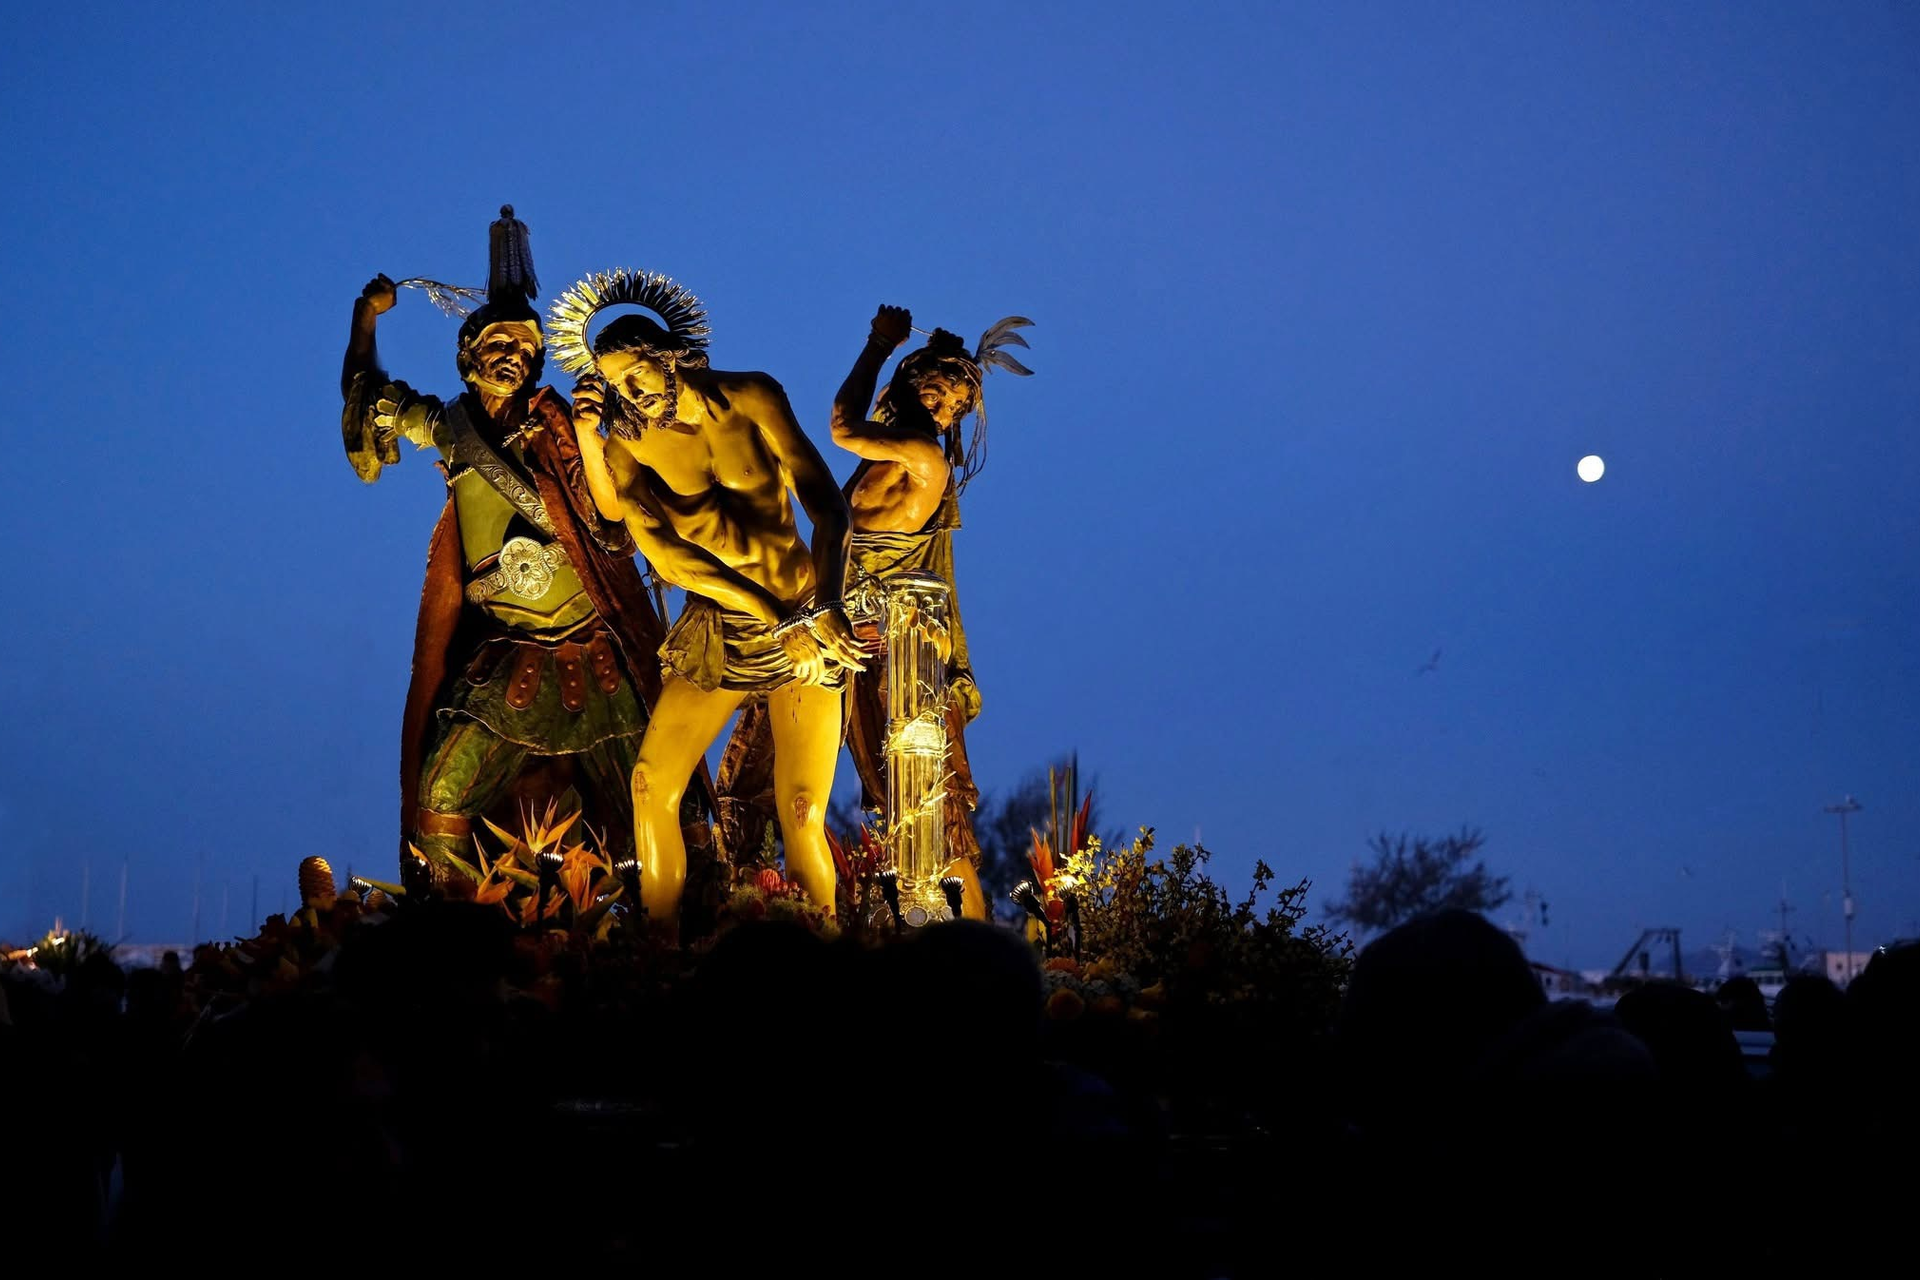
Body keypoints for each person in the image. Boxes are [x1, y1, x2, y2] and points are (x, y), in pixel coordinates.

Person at [339, 209, 675, 887]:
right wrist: (365, 319)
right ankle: (467, 939)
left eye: (524, 348)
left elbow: (614, 525)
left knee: (668, 802)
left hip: (596, 660)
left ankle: (674, 934)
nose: (511, 355)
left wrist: (588, 435)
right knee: (440, 802)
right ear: (468, 356)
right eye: (496, 341)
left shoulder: (568, 427)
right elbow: (365, 397)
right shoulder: (451, 428)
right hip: (505, 659)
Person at [557, 270, 866, 922]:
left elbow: (827, 504)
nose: (630, 395)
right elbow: (666, 556)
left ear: (674, 358)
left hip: (806, 610)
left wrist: (827, 603)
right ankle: (659, 951)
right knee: (651, 783)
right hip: (724, 626)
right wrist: (772, 615)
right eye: (615, 386)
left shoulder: (752, 397)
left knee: (804, 808)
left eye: (636, 374)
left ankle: (822, 955)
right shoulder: (627, 445)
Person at [716, 306, 1031, 919]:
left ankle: (969, 935)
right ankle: (764, 908)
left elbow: (840, 425)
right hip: (833, 629)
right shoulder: (885, 461)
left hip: (888, 645)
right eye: (934, 394)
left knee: (922, 798)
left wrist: (876, 344)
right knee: (770, 772)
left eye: (952, 409)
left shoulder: (923, 458)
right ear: (909, 386)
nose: (940, 413)